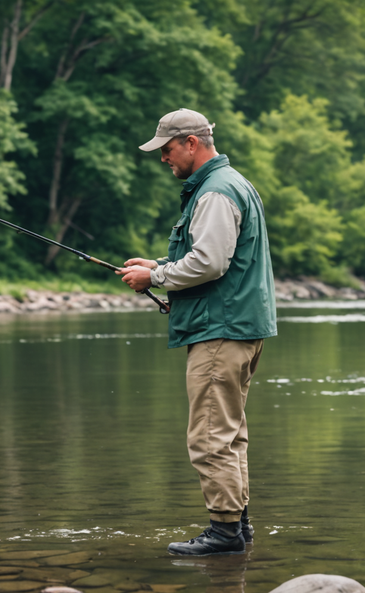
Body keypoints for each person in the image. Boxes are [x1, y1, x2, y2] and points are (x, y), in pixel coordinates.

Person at [119, 108, 277, 556]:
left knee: (209, 434)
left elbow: (210, 262)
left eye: (167, 150)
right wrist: (159, 266)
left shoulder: (215, 192)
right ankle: (238, 525)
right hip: (240, 325)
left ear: (191, 143)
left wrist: (156, 279)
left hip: (220, 330)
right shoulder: (232, 184)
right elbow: (215, 258)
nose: (163, 159)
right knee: (230, 431)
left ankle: (224, 532)